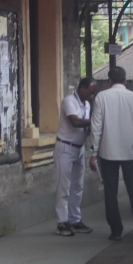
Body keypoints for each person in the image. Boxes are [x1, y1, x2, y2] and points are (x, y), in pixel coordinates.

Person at [89, 67, 133, 242]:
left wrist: (93, 152)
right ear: (125, 80)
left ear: (109, 81)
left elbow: (96, 126)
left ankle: (116, 231)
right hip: (130, 153)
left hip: (108, 152)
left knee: (110, 193)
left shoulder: (101, 97)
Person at [55, 76, 99, 237]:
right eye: (91, 92)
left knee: (77, 187)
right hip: (65, 147)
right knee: (63, 187)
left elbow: (86, 126)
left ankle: (75, 219)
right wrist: (96, 120)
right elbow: (75, 122)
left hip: (79, 148)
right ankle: (62, 222)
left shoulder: (86, 104)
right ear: (82, 88)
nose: (92, 96)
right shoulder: (69, 101)